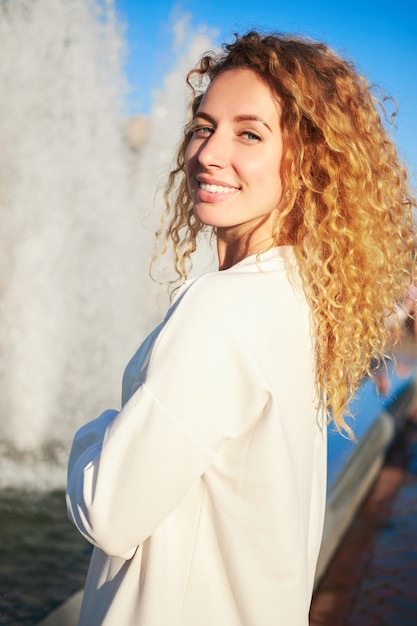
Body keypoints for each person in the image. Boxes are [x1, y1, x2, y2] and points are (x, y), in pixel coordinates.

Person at [66, 31, 416, 625]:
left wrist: (98, 432)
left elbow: (109, 511)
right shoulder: (297, 296)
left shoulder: (224, 308)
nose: (208, 152)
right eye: (204, 126)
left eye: (249, 133)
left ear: (306, 162)